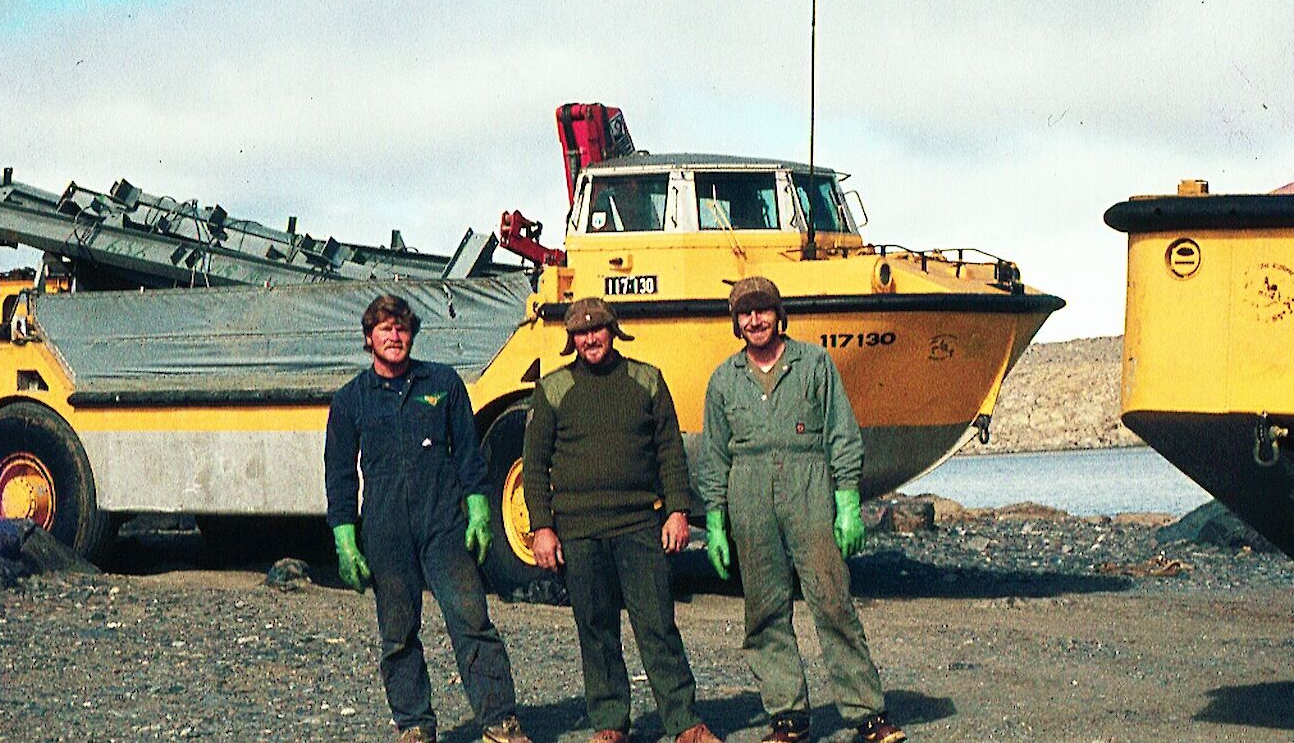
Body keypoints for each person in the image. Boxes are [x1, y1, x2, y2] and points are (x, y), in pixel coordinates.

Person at [697, 277, 907, 743]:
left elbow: (841, 433)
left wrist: (847, 500)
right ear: (736, 322)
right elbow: (714, 453)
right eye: (745, 313)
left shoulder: (814, 363)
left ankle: (868, 715)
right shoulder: (723, 379)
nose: (755, 320)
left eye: (763, 310)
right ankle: (788, 718)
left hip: (809, 485)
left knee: (832, 601)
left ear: (779, 314)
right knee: (764, 611)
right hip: (748, 493)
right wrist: (714, 519)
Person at [324, 294, 533, 743]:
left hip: (443, 525)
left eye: (401, 328)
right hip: (385, 529)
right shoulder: (350, 400)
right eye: (384, 329)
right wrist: (345, 539)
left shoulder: (443, 382)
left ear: (412, 334)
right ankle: (415, 725)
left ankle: (499, 721)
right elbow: (340, 475)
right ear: (368, 338)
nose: (394, 336)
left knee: (472, 620)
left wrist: (479, 509)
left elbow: (469, 454)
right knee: (397, 634)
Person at [520, 297, 722, 743]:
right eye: (580, 332)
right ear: (570, 340)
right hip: (578, 530)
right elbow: (534, 465)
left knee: (657, 626)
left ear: (614, 331)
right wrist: (543, 528)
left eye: (598, 330)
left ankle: (684, 721)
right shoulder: (552, 388)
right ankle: (610, 723)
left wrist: (677, 510)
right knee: (595, 628)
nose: (590, 339)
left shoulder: (646, 380)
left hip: (639, 526)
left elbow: (670, 450)